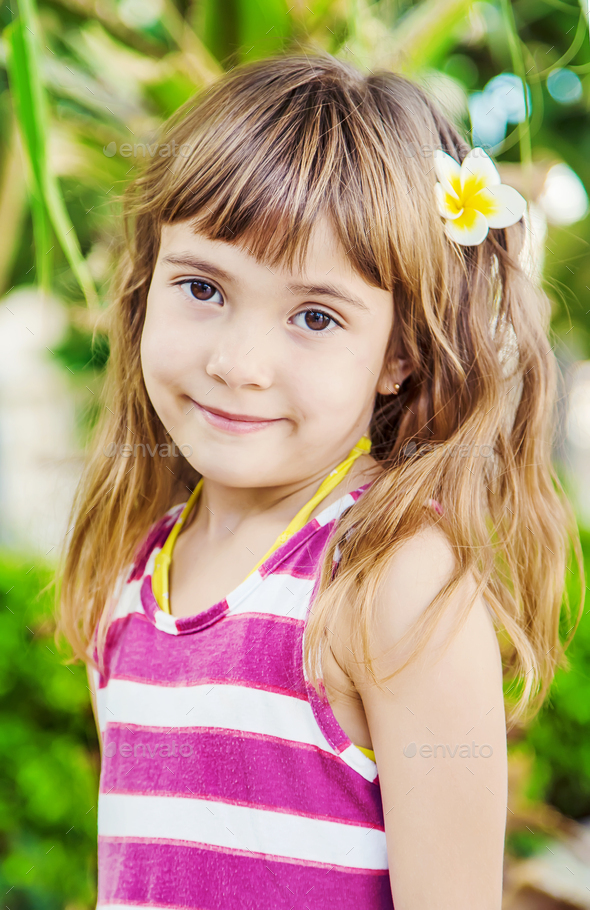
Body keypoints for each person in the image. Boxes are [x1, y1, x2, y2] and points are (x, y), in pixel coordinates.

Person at [56, 52, 583, 910]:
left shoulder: (389, 581)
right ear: (145, 287)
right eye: (202, 287)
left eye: (315, 316)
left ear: (400, 353)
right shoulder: (133, 575)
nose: (239, 364)